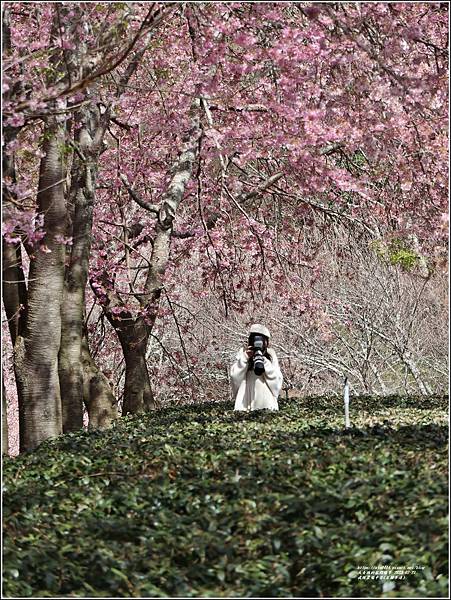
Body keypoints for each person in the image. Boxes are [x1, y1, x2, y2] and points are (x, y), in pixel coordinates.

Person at [230, 324, 283, 411]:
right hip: (245, 400)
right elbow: (234, 376)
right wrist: (245, 358)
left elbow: (277, 380)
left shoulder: (271, 354)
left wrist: (264, 361)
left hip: (266, 400)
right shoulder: (243, 353)